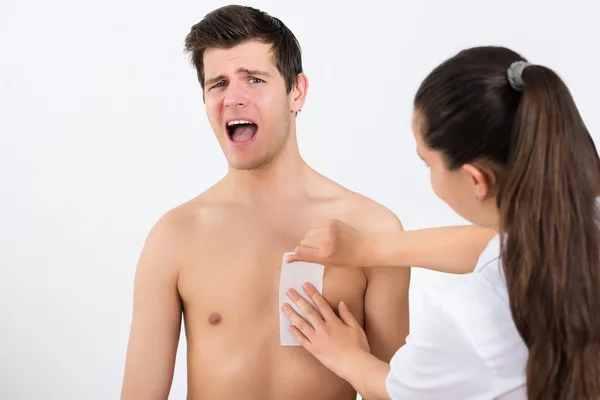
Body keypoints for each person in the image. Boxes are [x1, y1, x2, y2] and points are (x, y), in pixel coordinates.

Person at [120, 5, 440, 399]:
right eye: (217, 84)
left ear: (296, 91)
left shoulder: (371, 230)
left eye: (254, 79)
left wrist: (349, 359)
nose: (232, 98)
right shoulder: (175, 236)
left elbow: (400, 394)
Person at [282, 46, 600, 400]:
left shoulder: (469, 319)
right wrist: (370, 247)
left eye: (428, 163)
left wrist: (348, 357)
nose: (429, 177)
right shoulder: (582, 223)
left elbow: (396, 391)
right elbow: (500, 246)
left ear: (476, 180)